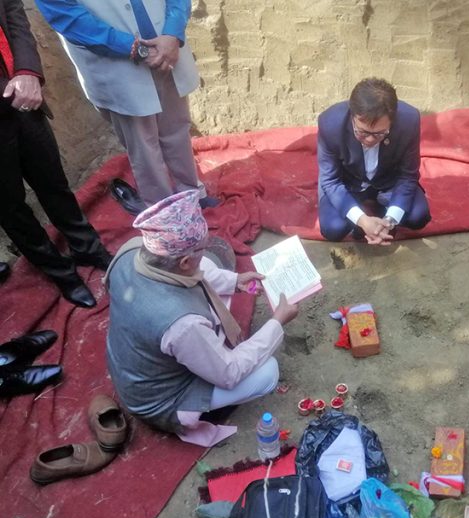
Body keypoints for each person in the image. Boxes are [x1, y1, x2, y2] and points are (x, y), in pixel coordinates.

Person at [105, 190, 298, 446]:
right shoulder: (183, 324)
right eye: (201, 248)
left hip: (137, 368)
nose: (204, 251)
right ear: (185, 262)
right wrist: (277, 321)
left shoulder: (129, 251)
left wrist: (235, 281)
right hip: (164, 399)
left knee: (207, 264)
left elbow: (196, 273)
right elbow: (229, 372)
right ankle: (201, 409)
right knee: (268, 372)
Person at [35, 0, 217, 210]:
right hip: (117, 63)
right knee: (143, 146)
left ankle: (192, 193)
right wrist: (137, 49)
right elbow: (69, 18)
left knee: (177, 129)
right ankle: (164, 212)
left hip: (169, 50)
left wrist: (173, 33)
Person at [1, 0, 112, 308]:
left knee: (53, 181)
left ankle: (87, 247)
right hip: (11, 95)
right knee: (10, 206)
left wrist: (27, 71)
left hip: (23, 98)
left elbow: (13, 12)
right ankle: (61, 272)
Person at [317, 77, 431, 245]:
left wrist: (389, 220)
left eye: (379, 133)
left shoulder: (409, 120)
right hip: (349, 182)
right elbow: (330, 181)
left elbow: (408, 176)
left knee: (418, 216)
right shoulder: (330, 123)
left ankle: (382, 211)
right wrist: (362, 220)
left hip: (388, 180)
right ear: (352, 116)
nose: (370, 140)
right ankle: (361, 217)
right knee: (333, 228)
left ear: (392, 121)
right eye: (362, 132)